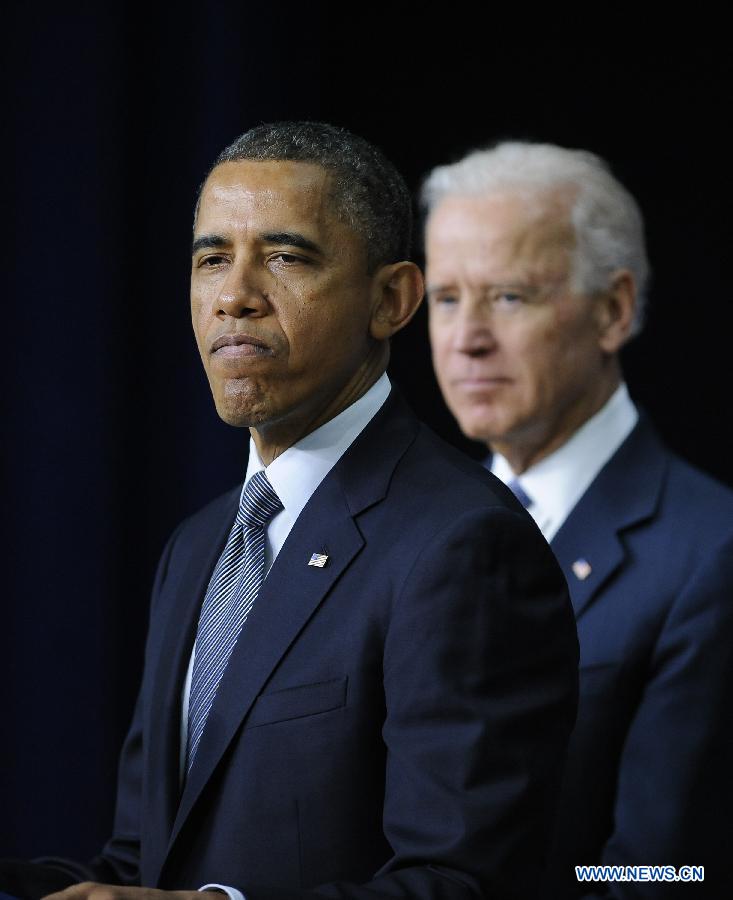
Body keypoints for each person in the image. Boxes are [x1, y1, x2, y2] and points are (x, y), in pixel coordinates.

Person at [1, 123, 578, 900]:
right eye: (211, 260)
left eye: (284, 257)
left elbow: (467, 883)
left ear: (391, 299)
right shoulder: (199, 545)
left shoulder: (462, 543)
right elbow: (144, 871)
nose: (234, 295)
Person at [423, 140, 733, 897]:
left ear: (612, 310)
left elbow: (668, 871)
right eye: (446, 298)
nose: (466, 339)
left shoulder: (711, 553)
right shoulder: (412, 530)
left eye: (508, 297)